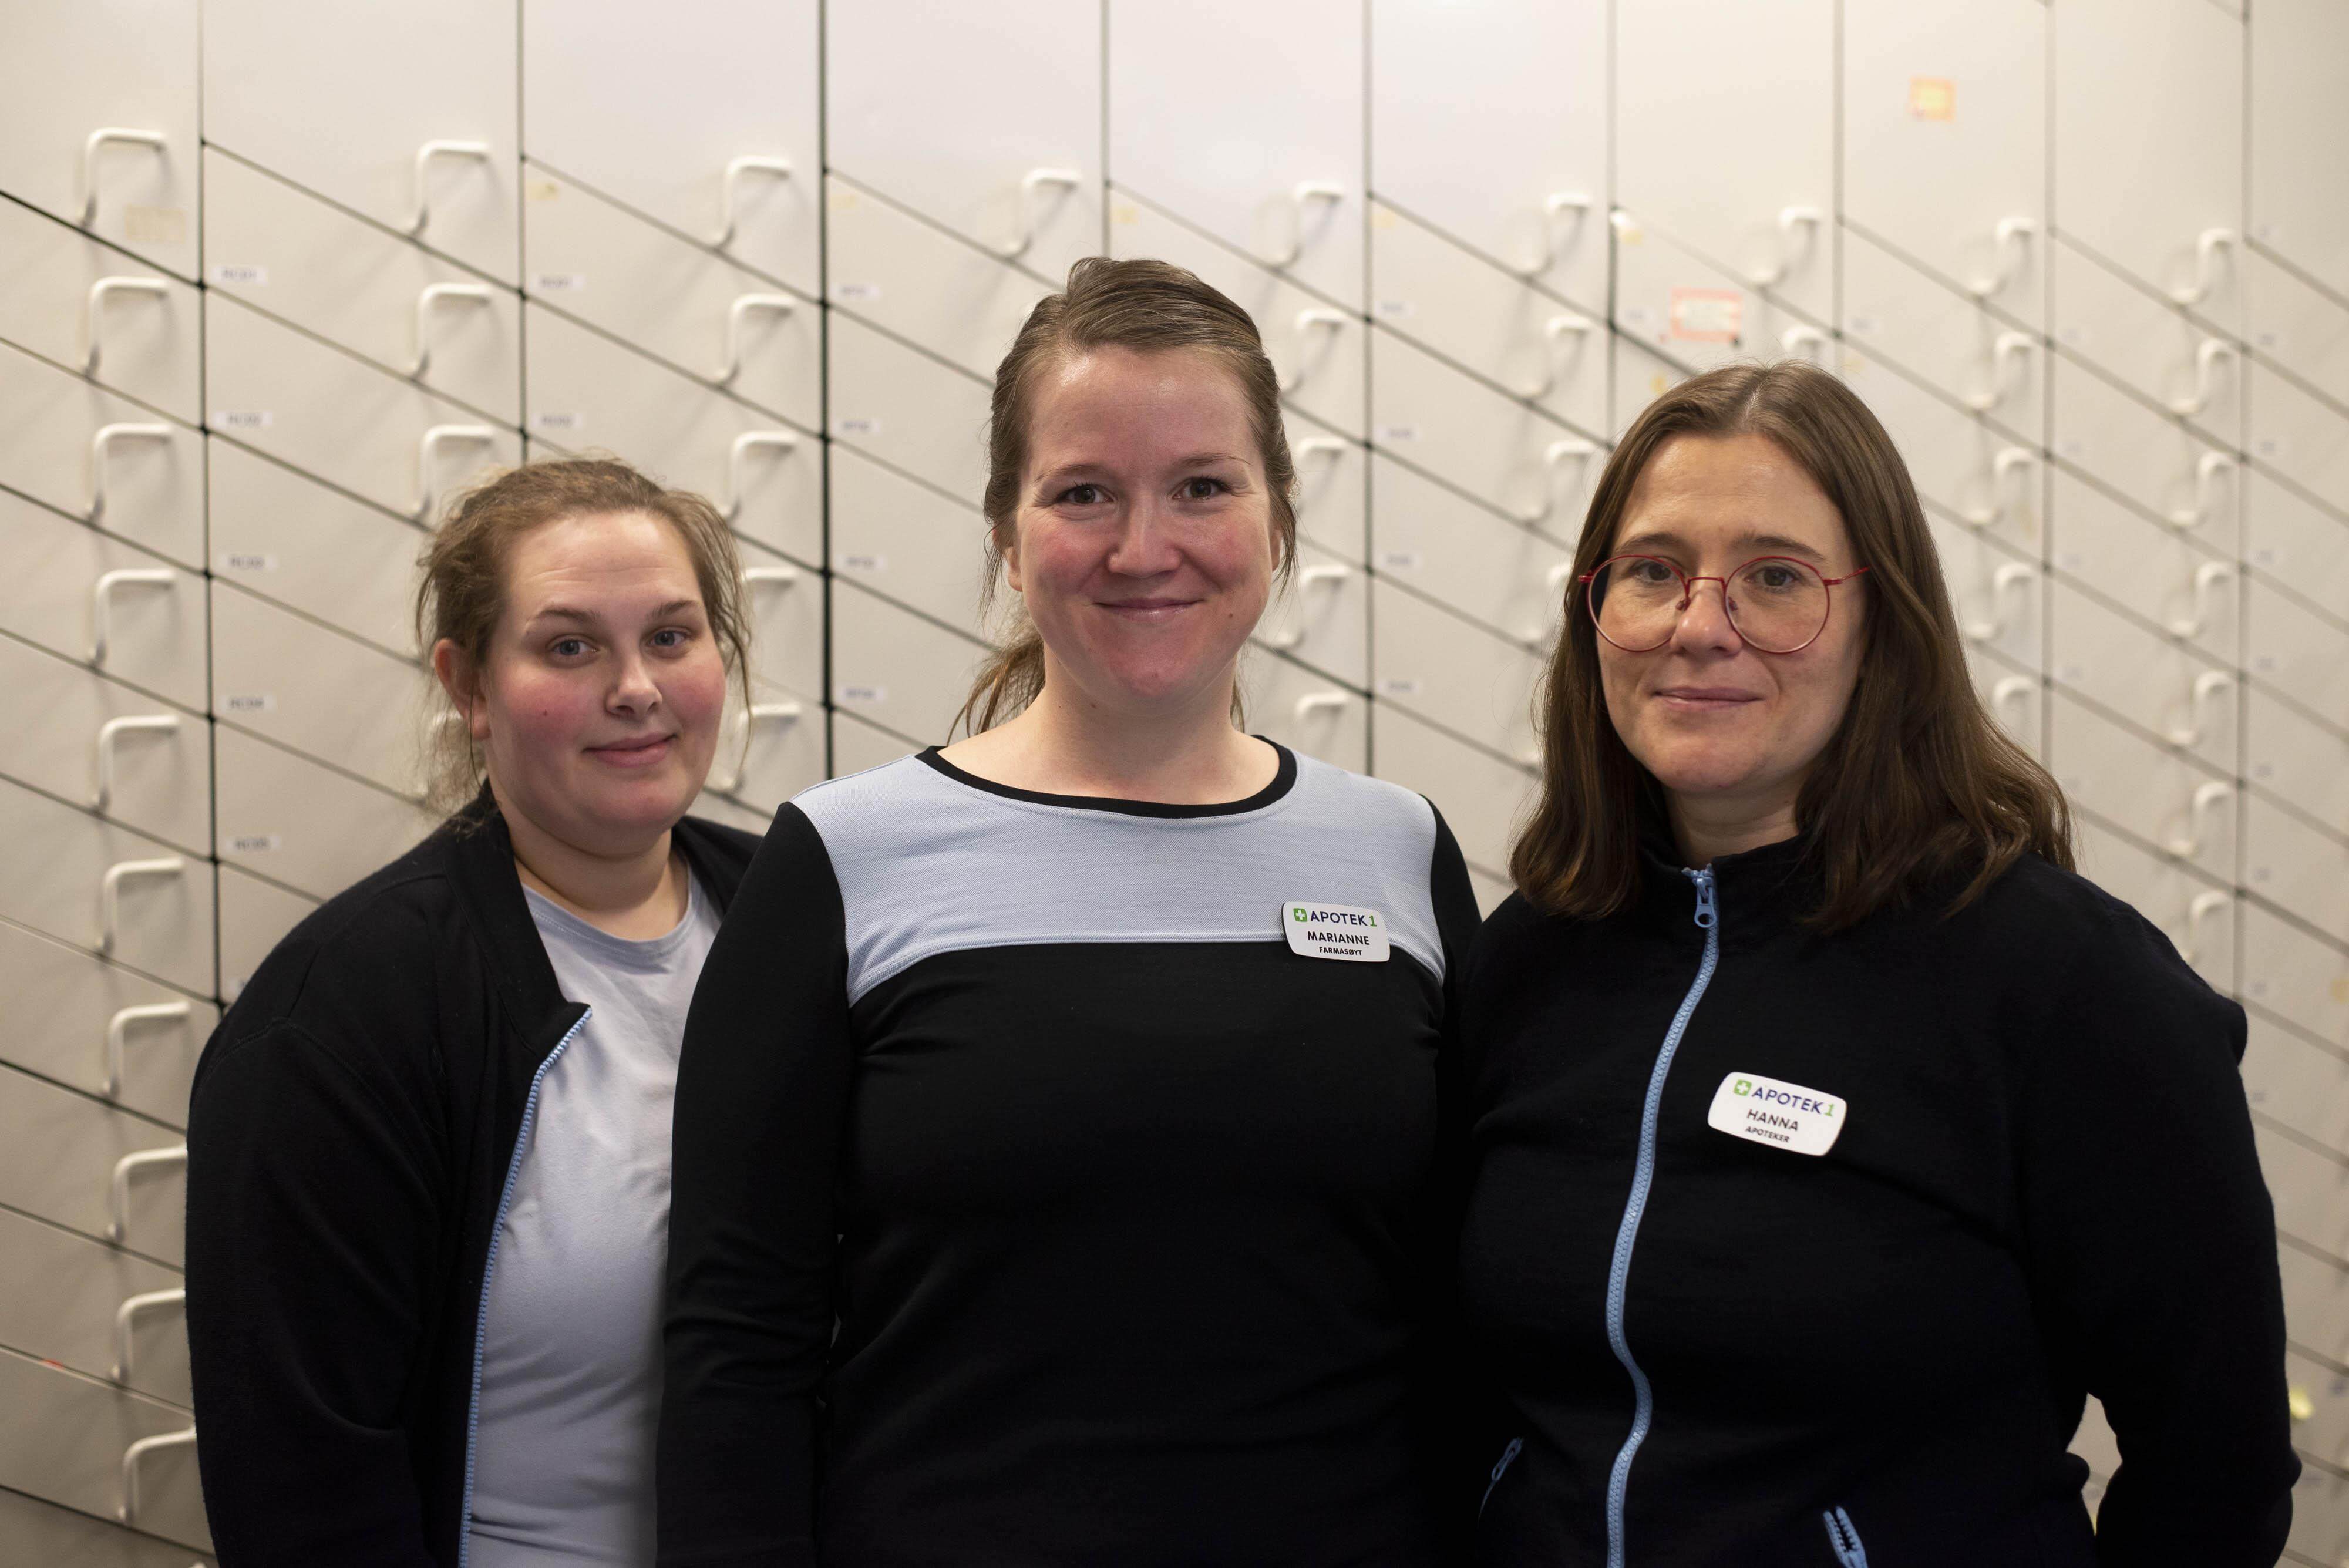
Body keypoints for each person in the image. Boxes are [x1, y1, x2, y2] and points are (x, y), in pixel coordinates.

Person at [657, 257, 1481, 1567]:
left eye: (1202, 486)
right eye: (1084, 492)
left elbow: (1464, 1312)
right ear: (1006, 533)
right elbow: (736, 1350)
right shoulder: (846, 862)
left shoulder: (1396, 853)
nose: (1144, 549)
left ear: (1277, 519)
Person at [1457, 361, 2298, 1568]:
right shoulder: (1529, 961)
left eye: (1775, 578)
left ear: (1881, 625)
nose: (1700, 626)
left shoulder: (2063, 985)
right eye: (1652, 571)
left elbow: (2213, 1464)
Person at [184, 459, 763, 1568]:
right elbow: (302, 1487)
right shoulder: (341, 1017)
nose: (636, 687)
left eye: (672, 636)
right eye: (569, 646)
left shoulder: (801, 918)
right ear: (469, 685)